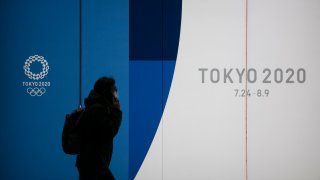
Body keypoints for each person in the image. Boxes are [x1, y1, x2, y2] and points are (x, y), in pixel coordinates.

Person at [76, 76, 122, 180]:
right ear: (107, 92)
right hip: (93, 164)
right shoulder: (97, 110)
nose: (116, 93)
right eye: (114, 90)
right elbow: (109, 131)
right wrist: (117, 112)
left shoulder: (97, 107)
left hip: (94, 163)